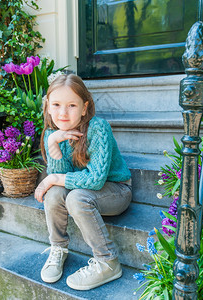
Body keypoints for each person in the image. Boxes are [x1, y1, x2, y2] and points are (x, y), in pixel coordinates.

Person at [35, 74, 132, 290]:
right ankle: (58, 248)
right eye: (57, 105)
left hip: (116, 190)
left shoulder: (97, 128)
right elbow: (62, 177)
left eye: (71, 105)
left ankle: (108, 262)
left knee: (76, 198)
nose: (63, 112)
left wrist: (53, 178)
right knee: (54, 194)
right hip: (83, 190)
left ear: (84, 107)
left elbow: (96, 180)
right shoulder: (52, 133)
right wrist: (53, 145)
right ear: (48, 107)